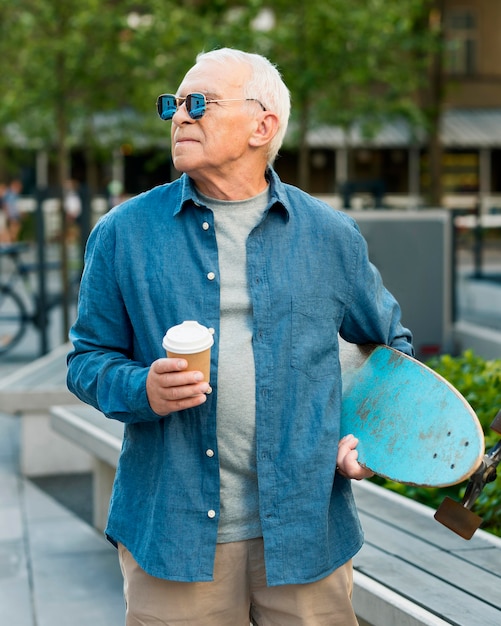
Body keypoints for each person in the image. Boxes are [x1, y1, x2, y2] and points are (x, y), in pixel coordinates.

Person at [67, 48, 413, 625]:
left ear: (263, 125)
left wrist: (368, 441)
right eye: (173, 105)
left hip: (306, 535)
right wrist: (139, 388)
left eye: (198, 103)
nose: (180, 117)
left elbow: (391, 351)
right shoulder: (122, 234)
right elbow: (87, 360)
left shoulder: (330, 236)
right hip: (172, 535)